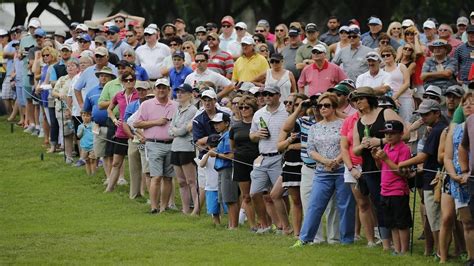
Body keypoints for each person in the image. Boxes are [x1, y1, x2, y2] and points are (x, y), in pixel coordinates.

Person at [292, 92, 355, 247]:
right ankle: (305, 238)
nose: (323, 108)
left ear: (334, 107)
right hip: (322, 171)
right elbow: (310, 149)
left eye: (327, 105)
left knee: (345, 205)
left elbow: (348, 146)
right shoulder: (314, 127)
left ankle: (346, 240)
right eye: (320, 106)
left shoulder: (344, 124)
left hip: (341, 170)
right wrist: (325, 161)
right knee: (315, 205)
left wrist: (337, 160)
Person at [352, 86, 405, 249]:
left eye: (361, 98)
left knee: (392, 204)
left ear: (370, 98)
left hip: (388, 166)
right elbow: (354, 149)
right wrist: (362, 146)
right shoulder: (359, 122)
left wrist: (380, 141)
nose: (358, 102)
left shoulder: (386, 113)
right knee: (378, 205)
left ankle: (400, 243)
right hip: (369, 168)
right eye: (356, 99)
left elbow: (406, 133)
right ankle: (386, 243)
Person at [399, 99, 448, 257]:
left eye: (426, 114)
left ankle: (439, 252)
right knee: (434, 218)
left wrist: (402, 163)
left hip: (433, 179)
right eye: (421, 114)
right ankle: (437, 251)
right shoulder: (438, 127)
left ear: (437, 113)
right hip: (433, 177)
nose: (423, 117)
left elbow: (422, 157)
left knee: (434, 219)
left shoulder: (436, 130)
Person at [133, 78, 178, 213]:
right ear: (154, 89)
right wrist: (156, 122)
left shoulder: (175, 105)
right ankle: (154, 206)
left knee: (168, 177)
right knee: (156, 176)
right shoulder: (147, 104)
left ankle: (164, 206)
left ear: (168, 90)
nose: (161, 90)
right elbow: (136, 123)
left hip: (171, 143)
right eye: (158, 87)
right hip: (154, 143)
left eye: (164, 87)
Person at [249, 85, 288, 233]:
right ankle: (265, 224)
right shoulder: (258, 114)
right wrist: (257, 134)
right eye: (264, 94)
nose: (267, 97)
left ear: (278, 95)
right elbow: (251, 135)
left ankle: (284, 225)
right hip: (262, 158)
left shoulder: (286, 112)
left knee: (281, 194)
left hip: (279, 157)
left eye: (270, 94)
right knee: (255, 193)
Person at [371, 120, 412, 255]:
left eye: (392, 133)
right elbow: (381, 168)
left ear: (400, 134)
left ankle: (404, 250)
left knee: (401, 223)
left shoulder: (404, 149)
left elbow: (401, 171)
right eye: (387, 133)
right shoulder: (387, 147)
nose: (388, 136)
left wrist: (386, 159)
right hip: (385, 190)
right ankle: (397, 248)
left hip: (398, 190)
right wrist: (377, 159)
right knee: (391, 223)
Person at [441, 93, 473, 263]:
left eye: (472, 103)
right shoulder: (455, 129)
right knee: (467, 221)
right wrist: (454, 174)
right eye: (465, 103)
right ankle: (470, 257)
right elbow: (447, 157)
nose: (467, 106)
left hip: (471, 177)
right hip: (458, 180)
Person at [271, 93, 307, 237]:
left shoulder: (309, 121)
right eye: (292, 104)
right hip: (290, 163)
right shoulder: (289, 122)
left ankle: (299, 232)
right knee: (277, 195)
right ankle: (289, 229)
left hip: (303, 163)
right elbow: (279, 146)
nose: (294, 106)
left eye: (299, 104)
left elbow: (312, 143)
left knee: (299, 200)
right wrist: (289, 143)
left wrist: (293, 146)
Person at [105, 70, 140, 192]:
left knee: (137, 164)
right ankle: (110, 188)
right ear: (122, 82)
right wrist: (115, 120)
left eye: (131, 80)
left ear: (135, 81)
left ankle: (140, 191)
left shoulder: (139, 94)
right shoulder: (119, 95)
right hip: (121, 132)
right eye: (126, 80)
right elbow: (109, 109)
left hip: (136, 131)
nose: (129, 82)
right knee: (116, 162)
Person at [229, 95, 259, 230]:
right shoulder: (235, 126)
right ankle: (252, 225)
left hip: (257, 161)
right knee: (246, 196)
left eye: (246, 107)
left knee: (260, 194)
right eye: (240, 107)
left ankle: (267, 222)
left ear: (253, 109)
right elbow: (232, 146)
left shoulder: (258, 124)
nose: (243, 109)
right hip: (240, 161)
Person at [169, 83, 199, 215]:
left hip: (187, 148)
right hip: (175, 147)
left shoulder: (193, 110)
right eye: (178, 92)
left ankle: (196, 208)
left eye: (182, 92)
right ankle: (185, 209)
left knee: (191, 180)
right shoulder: (177, 109)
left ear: (189, 94)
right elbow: (170, 129)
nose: (179, 94)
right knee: (181, 181)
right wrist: (176, 130)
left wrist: (176, 130)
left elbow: (183, 131)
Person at [83, 66, 116, 182]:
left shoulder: (115, 90)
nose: (103, 78)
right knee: (104, 154)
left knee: (115, 154)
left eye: (106, 76)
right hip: (98, 126)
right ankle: (109, 178)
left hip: (113, 125)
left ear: (111, 78)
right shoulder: (91, 92)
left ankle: (118, 178)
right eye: (101, 75)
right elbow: (86, 109)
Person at [207, 112, 239, 229]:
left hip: (228, 169)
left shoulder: (228, 136)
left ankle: (233, 226)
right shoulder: (223, 136)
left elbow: (230, 156)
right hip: (221, 170)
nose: (216, 126)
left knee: (231, 199)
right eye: (214, 123)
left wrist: (215, 154)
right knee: (226, 199)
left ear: (226, 123)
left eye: (218, 123)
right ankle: (231, 225)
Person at [51, 59, 79, 164]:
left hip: (76, 110)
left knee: (78, 133)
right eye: (68, 66)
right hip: (62, 109)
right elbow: (54, 92)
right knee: (67, 133)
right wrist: (59, 95)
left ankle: (80, 154)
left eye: (72, 66)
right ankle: (68, 155)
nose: (70, 68)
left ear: (77, 68)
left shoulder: (79, 79)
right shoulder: (62, 79)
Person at [458, 94, 474, 266]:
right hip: (473, 179)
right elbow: (463, 147)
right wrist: (464, 170)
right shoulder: (470, 121)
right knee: (471, 220)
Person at [380, 46, 413, 122]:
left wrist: (395, 97)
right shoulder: (382, 71)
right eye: (383, 55)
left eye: (388, 55)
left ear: (393, 55)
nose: (385, 57)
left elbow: (407, 83)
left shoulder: (401, 66)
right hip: (389, 100)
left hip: (404, 97)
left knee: (406, 121)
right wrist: (391, 99)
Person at [199, 134, 222, 226]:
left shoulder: (223, 154)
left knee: (227, 206)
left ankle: (231, 222)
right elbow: (201, 164)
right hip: (211, 187)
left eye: (216, 146)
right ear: (208, 146)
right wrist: (208, 154)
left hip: (222, 186)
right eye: (212, 146)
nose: (214, 148)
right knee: (213, 208)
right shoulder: (206, 155)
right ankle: (217, 223)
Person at [454, 25, 474, 91]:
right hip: (465, 82)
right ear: (466, 34)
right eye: (469, 33)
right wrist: (457, 77)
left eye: (473, 33)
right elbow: (455, 64)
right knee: (466, 100)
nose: (471, 35)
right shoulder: (459, 48)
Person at [77, 111, 97, 175]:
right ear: (81, 117)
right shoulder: (80, 126)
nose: (85, 117)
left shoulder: (94, 124)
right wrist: (82, 130)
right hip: (84, 146)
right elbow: (78, 136)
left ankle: (93, 174)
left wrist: (93, 129)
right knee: (87, 160)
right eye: (84, 116)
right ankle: (89, 174)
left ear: (91, 117)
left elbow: (97, 133)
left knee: (93, 160)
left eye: (88, 116)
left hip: (93, 146)